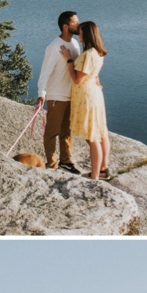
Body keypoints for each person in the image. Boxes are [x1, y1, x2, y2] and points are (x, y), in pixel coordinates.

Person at [38, 11, 82, 173]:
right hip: (57, 95)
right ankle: (52, 164)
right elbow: (45, 72)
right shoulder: (54, 47)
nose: (79, 24)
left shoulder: (75, 44)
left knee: (67, 130)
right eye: (75, 22)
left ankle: (66, 161)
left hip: (72, 95)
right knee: (51, 132)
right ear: (65, 26)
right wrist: (41, 93)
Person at [68, 20, 110, 181]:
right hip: (95, 94)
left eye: (80, 32)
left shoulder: (88, 55)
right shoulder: (98, 52)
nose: (78, 35)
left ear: (87, 34)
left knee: (92, 137)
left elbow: (78, 79)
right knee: (100, 133)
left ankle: (95, 176)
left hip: (87, 97)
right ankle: (103, 169)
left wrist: (69, 61)